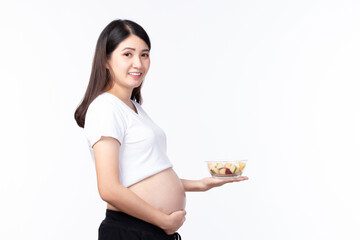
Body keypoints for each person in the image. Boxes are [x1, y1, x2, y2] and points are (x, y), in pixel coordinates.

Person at [74, 19, 248, 240]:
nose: (138, 63)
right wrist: (163, 220)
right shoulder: (105, 107)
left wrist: (200, 184)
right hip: (131, 229)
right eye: (128, 54)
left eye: (144, 54)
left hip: (147, 229)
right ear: (106, 60)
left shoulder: (133, 107)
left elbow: (143, 174)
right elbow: (108, 188)